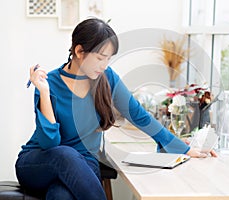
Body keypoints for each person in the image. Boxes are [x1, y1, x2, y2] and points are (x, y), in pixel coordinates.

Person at [15, 17, 217, 200]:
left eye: (108, 59)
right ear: (78, 51)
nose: (104, 65)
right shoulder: (49, 83)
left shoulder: (107, 78)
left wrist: (186, 149)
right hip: (41, 163)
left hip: (85, 165)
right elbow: (50, 143)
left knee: (60, 196)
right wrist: (43, 92)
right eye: (100, 58)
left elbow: (138, 115)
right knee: (65, 154)